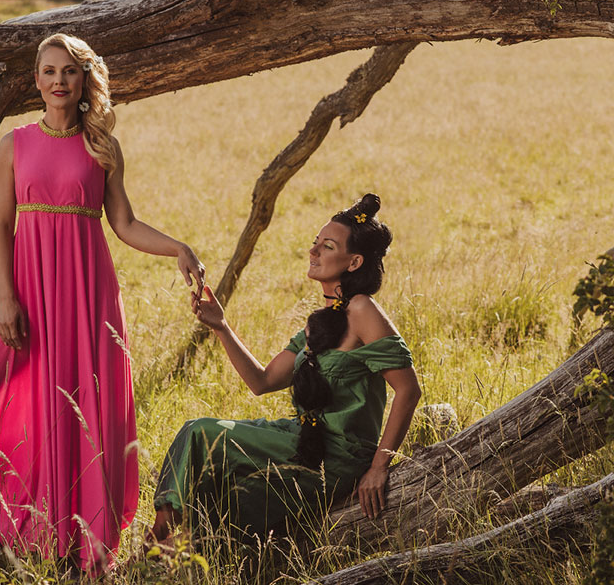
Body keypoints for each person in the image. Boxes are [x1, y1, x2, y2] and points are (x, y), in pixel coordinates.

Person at [0, 32, 203, 571]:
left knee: (75, 405)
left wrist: (179, 247)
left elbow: (122, 223)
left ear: (83, 83)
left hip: (86, 291)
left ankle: (69, 533)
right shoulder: (15, 144)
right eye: (49, 72)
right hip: (25, 288)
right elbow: (1, 226)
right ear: (36, 80)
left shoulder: (102, 147)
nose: (59, 81)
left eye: (69, 73)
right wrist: (8, 298)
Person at [149, 193, 421, 546]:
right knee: (216, 471)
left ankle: (151, 546)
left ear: (353, 262)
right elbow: (262, 381)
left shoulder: (361, 309)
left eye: (327, 246)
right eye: (315, 244)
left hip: (338, 455)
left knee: (201, 432)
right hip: (301, 440)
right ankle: (161, 551)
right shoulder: (320, 324)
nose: (313, 252)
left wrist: (379, 467)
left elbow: (408, 389)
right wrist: (221, 326)